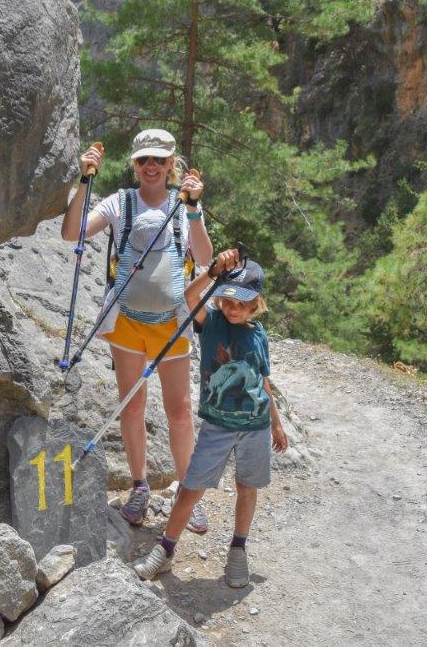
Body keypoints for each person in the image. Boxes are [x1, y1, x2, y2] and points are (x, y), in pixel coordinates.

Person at [61, 129, 214, 531]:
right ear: (135, 164)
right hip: (126, 320)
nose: (151, 167)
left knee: (179, 410)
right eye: (144, 160)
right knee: (132, 405)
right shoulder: (119, 202)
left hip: (172, 323)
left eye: (159, 160)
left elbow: (204, 257)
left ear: (171, 164)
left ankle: (189, 493)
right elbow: (71, 233)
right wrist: (84, 179)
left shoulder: (185, 206)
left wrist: (195, 209)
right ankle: (140, 487)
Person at [132, 248, 288, 588]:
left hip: (256, 426)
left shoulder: (259, 334)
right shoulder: (212, 322)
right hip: (218, 426)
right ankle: (166, 549)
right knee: (191, 488)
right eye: (227, 300)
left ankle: (238, 549)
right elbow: (187, 297)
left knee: (247, 488)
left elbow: (263, 381)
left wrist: (276, 422)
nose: (232, 308)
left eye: (240, 303)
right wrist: (213, 272)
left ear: (255, 303)